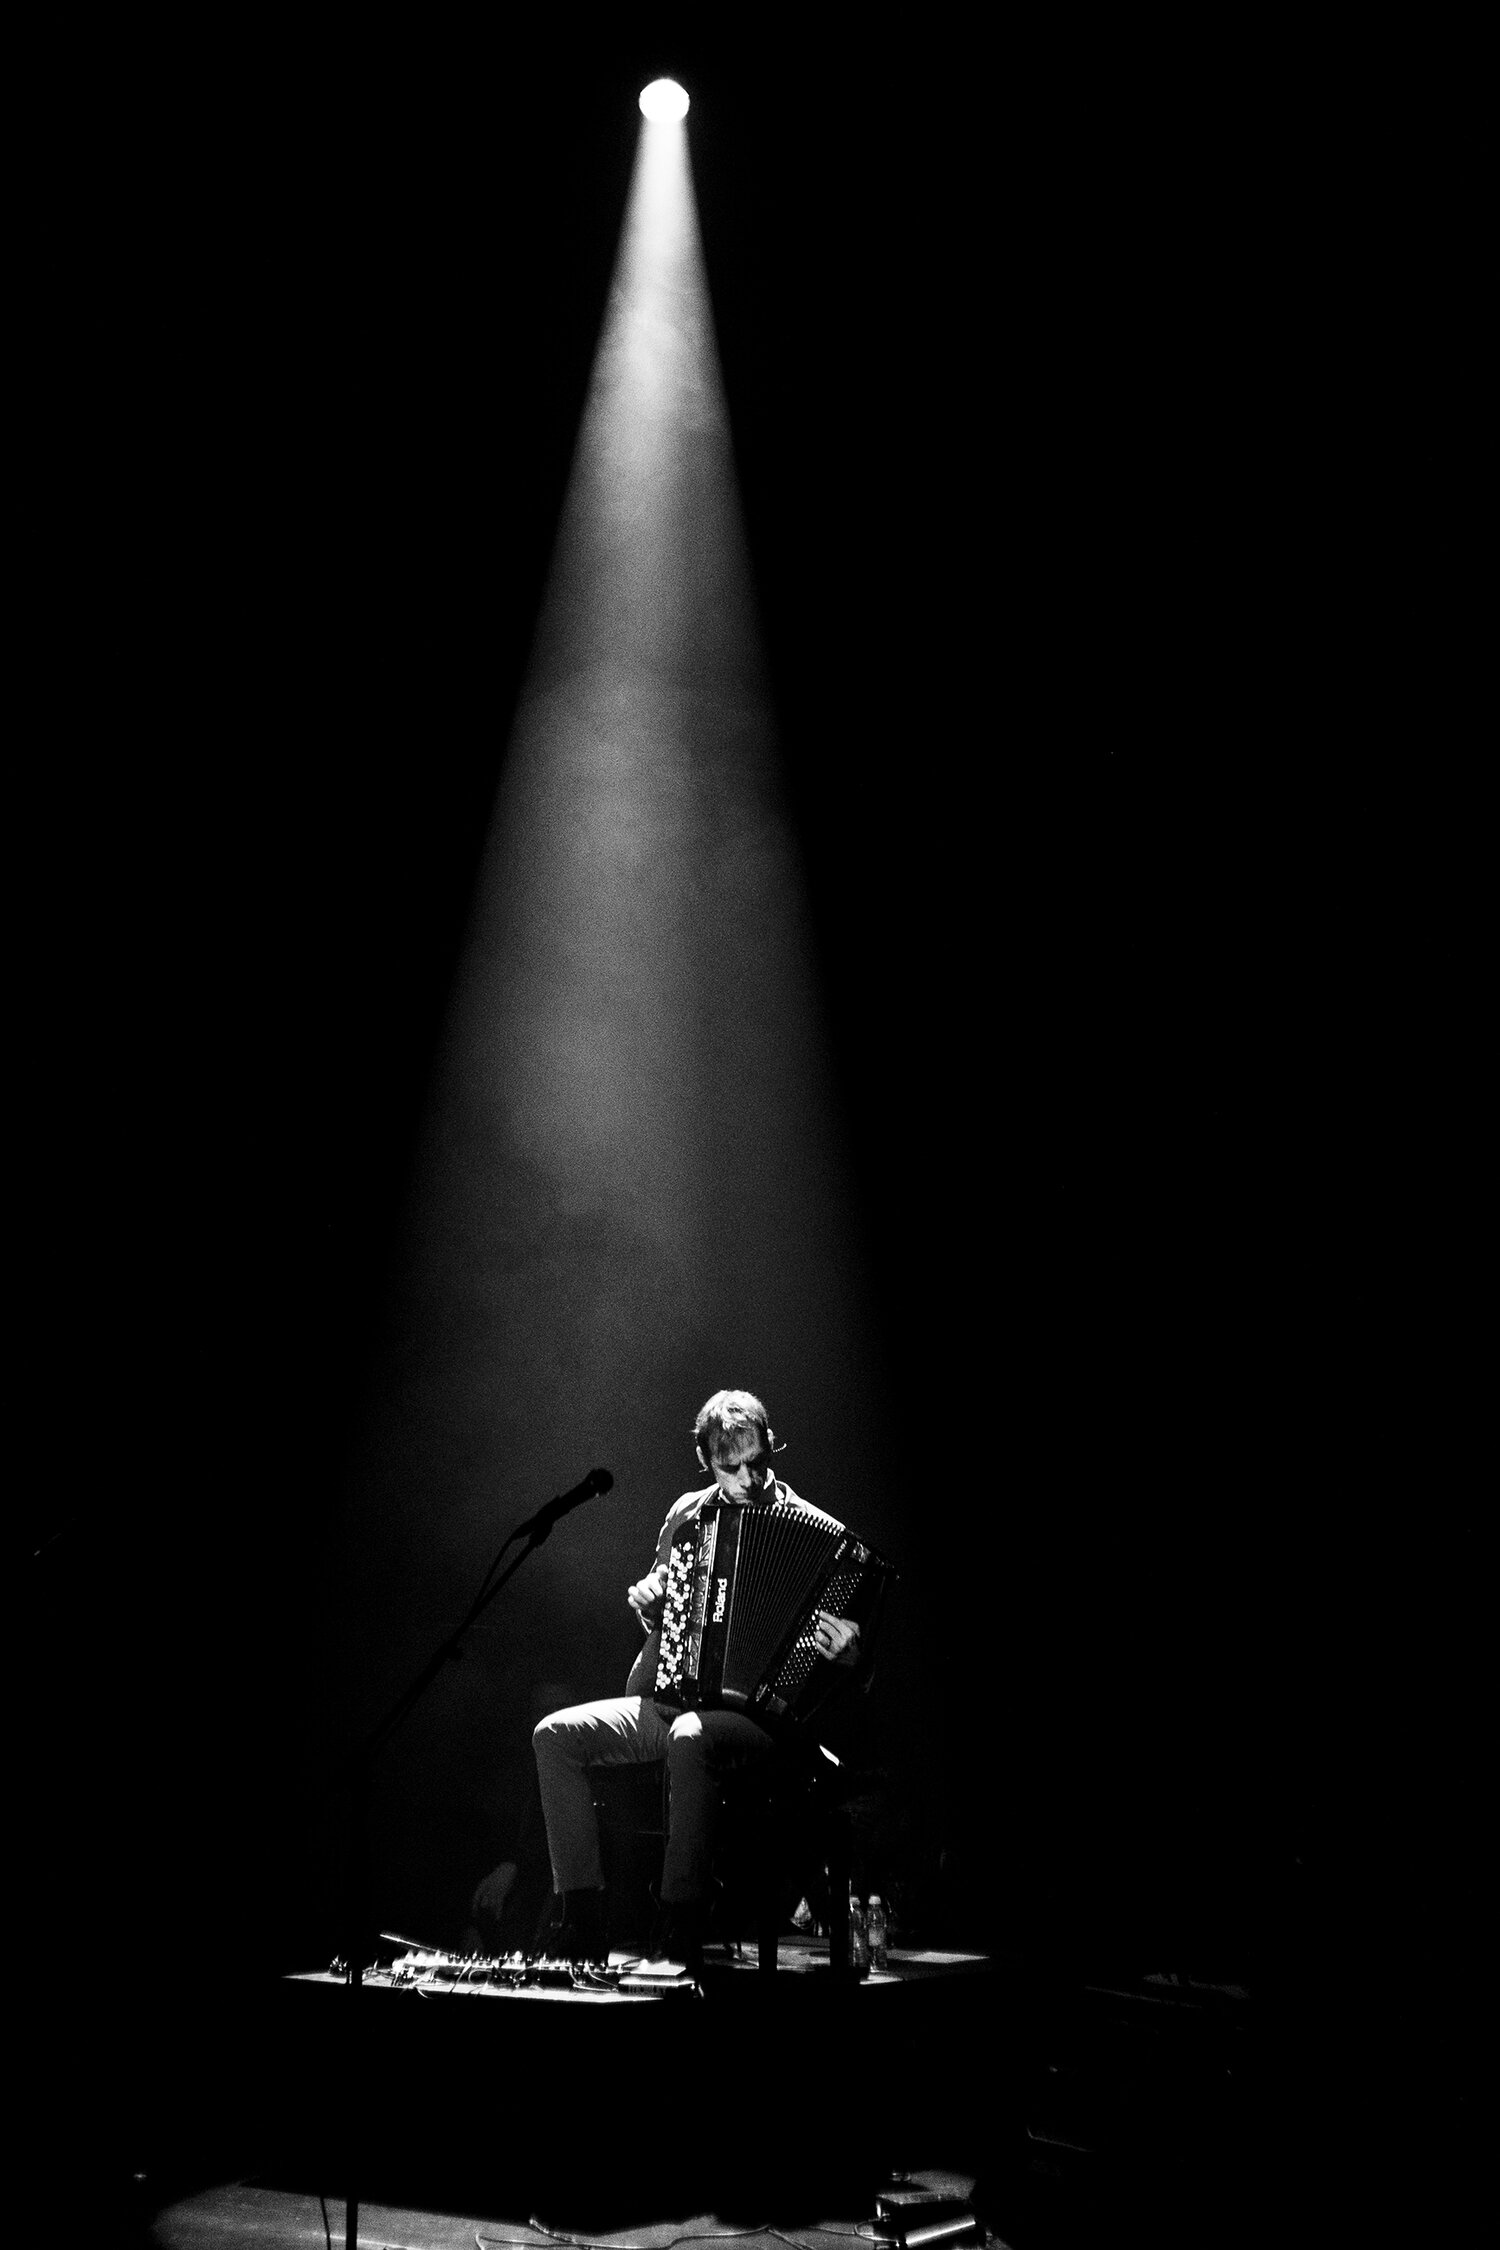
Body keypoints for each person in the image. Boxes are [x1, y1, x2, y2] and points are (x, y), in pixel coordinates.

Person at [531, 1389, 861, 1973]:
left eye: (756, 1460)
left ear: (768, 1446)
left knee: (690, 1735)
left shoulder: (820, 1534)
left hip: (758, 1721)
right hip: (669, 1700)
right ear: (707, 1460)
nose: (745, 1476)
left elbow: (852, 1663)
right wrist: (650, 1603)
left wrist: (847, 1652)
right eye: (728, 1465)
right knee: (554, 1735)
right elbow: (667, 1600)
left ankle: (680, 1920)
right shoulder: (686, 1514)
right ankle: (581, 1916)